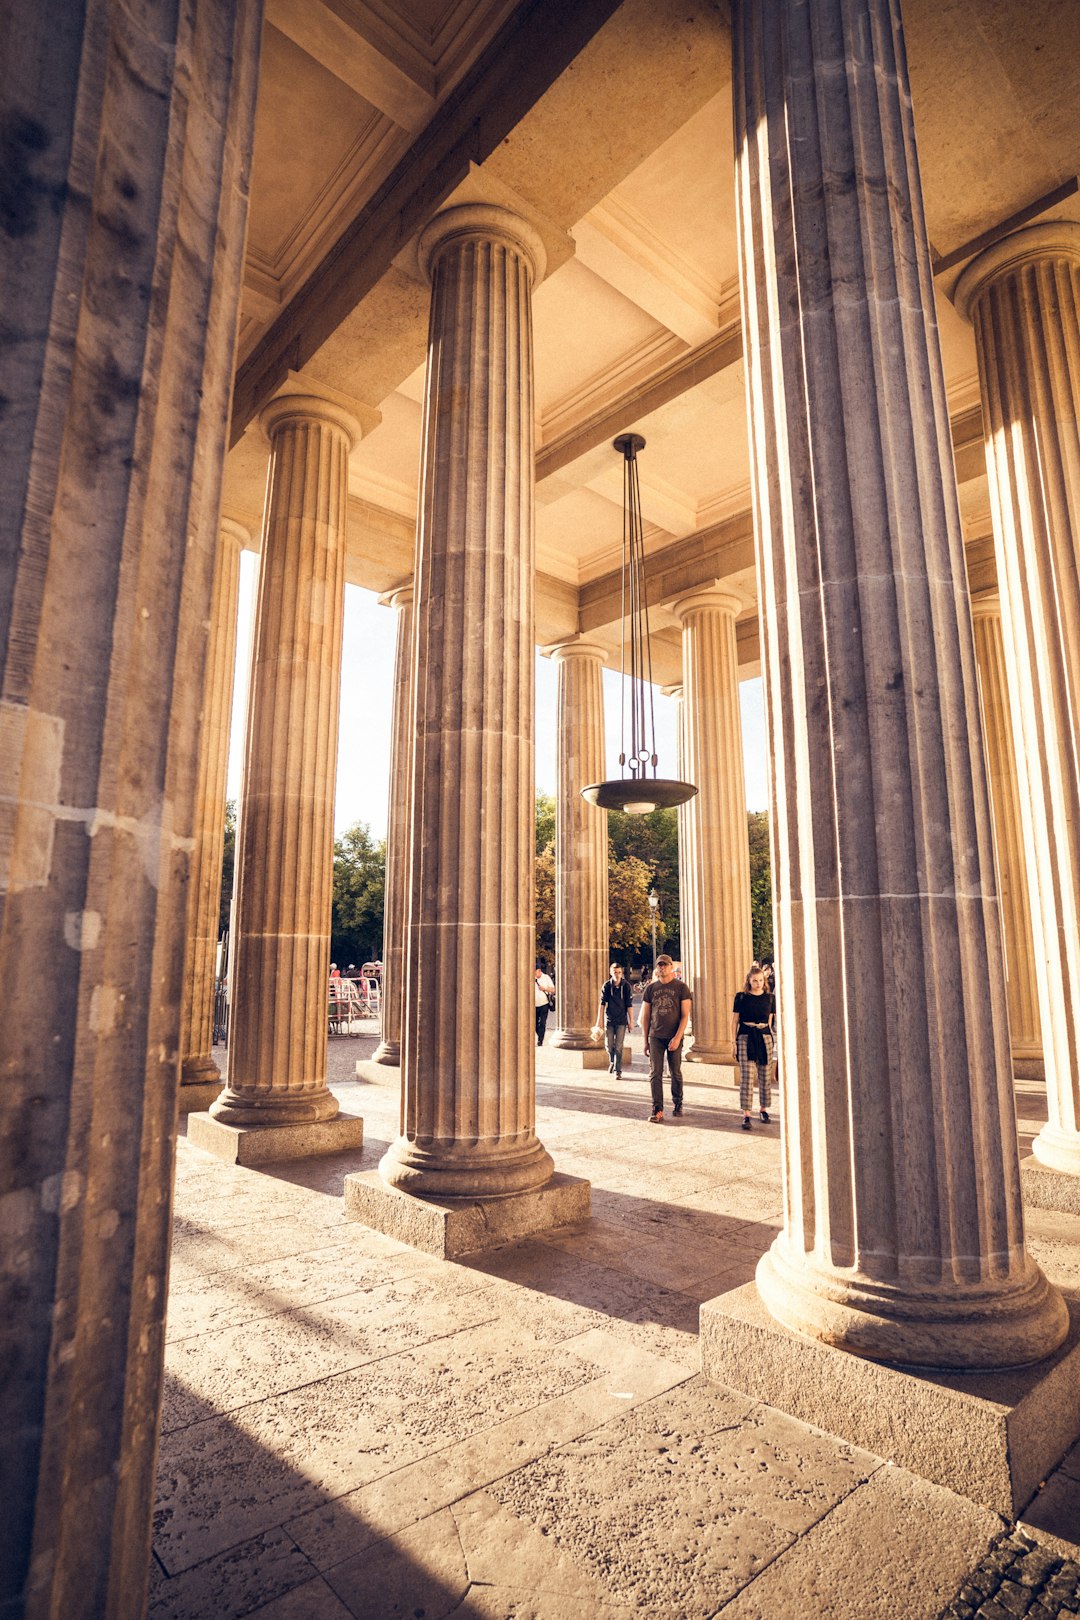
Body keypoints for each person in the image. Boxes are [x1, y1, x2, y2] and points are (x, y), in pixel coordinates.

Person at [640, 954, 693, 1122]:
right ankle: (657, 1109)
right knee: (655, 1073)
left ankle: (678, 1102)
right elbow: (646, 1017)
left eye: (665, 965)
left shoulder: (681, 987)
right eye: (659, 965)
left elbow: (685, 1016)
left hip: (674, 1035)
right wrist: (645, 1041)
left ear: (671, 967)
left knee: (675, 1072)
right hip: (656, 1036)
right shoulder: (651, 988)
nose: (662, 967)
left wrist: (678, 1037)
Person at [731, 963, 776, 1129]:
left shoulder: (770, 998)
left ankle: (764, 1109)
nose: (757, 983)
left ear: (763, 980)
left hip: (764, 1036)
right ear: (749, 980)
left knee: (765, 1075)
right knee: (747, 1076)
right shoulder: (741, 997)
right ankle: (746, 1113)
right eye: (754, 980)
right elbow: (734, 1021)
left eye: (760, 980)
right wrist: (733, 1043)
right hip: (745, 1036)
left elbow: (770, 1020)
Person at [593, 962, 634, 1076]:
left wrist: (631, 1021)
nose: (617, 975)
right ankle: (612, 1061)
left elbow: (629, 1005)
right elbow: (602, 1004)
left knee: (619, 1046)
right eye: (615, 972)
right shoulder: (606, 986)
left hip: (621, 1020)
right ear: (611, 973)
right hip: (610, 1019)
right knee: (609, 1045)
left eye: (619, 972)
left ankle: (618, 1070)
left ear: (622, 973)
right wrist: (598, 1021)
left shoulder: (626, 986)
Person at [534, 964, 555, 1046]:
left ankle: (540, 1041)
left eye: (534, 971)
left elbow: (553, 990)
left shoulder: (546, 977)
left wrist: (544, 988)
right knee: (534, 1024)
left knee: (542, 1023)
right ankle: (540, 1035)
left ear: (538, 970)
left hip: (544, 1004)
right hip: (534, 1005)